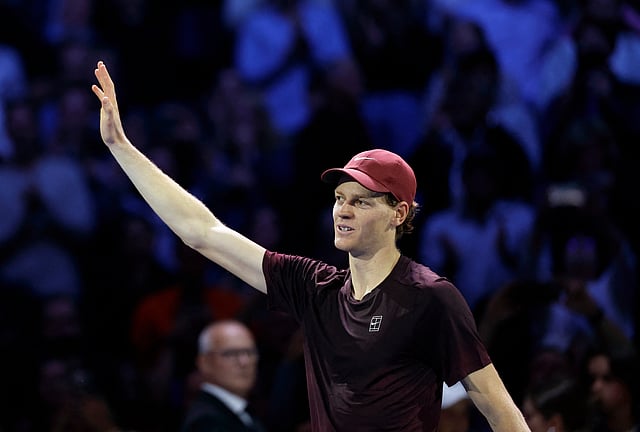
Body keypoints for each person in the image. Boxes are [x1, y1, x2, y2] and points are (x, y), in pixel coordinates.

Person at [91, 60, 530, 431]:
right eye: (339, 199)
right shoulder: (314, 288)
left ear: (398, 214)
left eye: (361, 201)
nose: (343, 210)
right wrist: (120, 146)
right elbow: (201, 232)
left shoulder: (430, 297)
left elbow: (496, 406)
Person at [180, 320, 265, 432]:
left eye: (250, 352)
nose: (244, 362)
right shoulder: (207, 421)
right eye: (231, 353)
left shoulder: (241, 411)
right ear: (205, 362)